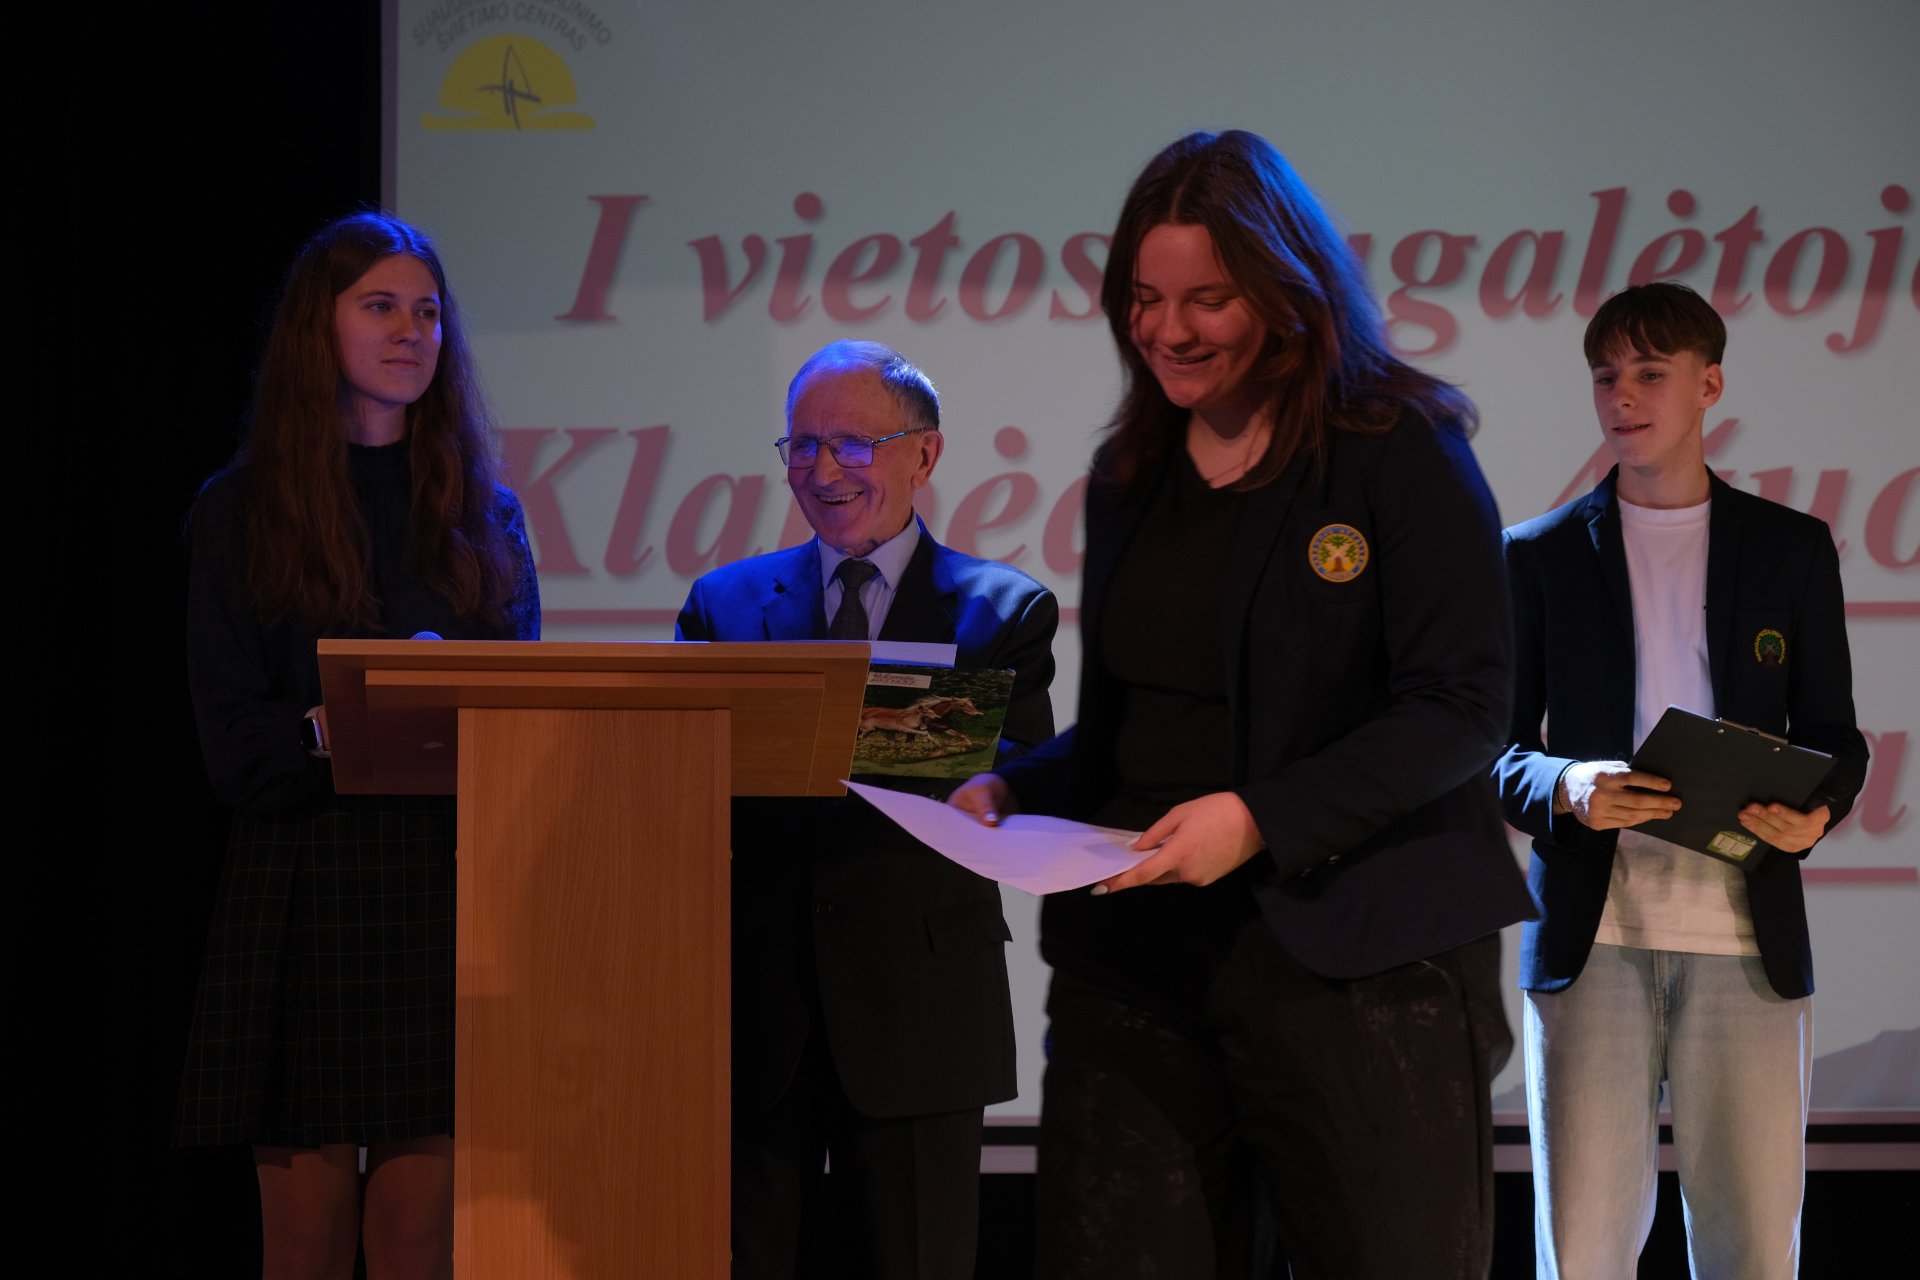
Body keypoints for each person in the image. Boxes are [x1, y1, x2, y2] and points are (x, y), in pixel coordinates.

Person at [949, 130, 1535, 1279]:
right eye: (1144, 298)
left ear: (1287, 294)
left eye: (1206, 299)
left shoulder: (1396, 448)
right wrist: (1015, 785)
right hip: (1138, 967)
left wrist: (1261, 817)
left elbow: (1463, 703)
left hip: (1362, 958)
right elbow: (1149, 724)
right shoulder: (1132, 472)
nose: (1167, 329)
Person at [175, 212, 540, 1280]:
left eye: (427, 311)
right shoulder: (242, 512)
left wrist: (425, 705)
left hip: (445, 886)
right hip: (305, 882)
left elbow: (521, 721)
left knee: (419, 1242)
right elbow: (235, 746)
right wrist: (347, 721)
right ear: (319, 327)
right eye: (380, 306)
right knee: (305, 1244)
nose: (410, 331)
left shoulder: (485, 515)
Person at [1494, 281, 1869, 1279]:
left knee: (1754, 1252)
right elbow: (1493, 748)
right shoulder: (1536, 555)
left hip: (1745, 937)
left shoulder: (1790, 547)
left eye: (1650, 373)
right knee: (1582, 1254)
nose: (1623, 395)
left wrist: (1816, 813)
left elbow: (1835, 737)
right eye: (1605, 376)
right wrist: (1568, 784)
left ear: (1709, 385)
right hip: (1591, 937)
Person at [675, 340, 1058, 1279]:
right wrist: (909, 731)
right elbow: (679, 779)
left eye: (853, 444)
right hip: (756, 1013)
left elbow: (1016, 778)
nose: (824, 470)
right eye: (803, 445)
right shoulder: (724, 608)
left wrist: (830, 735)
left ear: (924, 454)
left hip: (922, 1010)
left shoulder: (1002, 610)